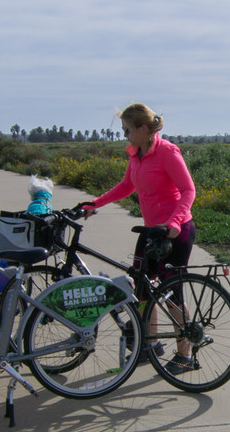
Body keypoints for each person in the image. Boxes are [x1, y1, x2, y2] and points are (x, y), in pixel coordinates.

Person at [78, 103, 200, 371]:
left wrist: (175, 222)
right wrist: (95, 203)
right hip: (150, 232)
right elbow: (126, 185)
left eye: (127, 130)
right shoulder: (137, 154)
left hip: (174, 232)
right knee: (142, 287)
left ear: (143, 129)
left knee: (171, 292)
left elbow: (188, 190)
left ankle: (186, 355)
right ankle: (150, 343)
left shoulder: (167, 152)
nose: (125, 135)